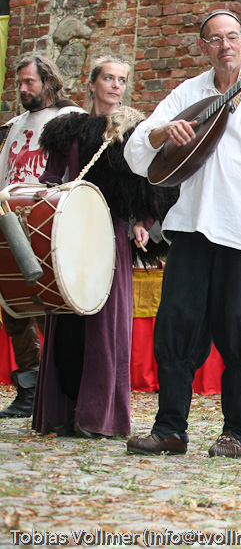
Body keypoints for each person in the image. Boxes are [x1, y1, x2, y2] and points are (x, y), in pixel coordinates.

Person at [123, 10, 241, 458]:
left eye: (232, 37)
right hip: (192, 228)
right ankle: (170, 430)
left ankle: (237, 434)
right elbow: (136, 153)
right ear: (203, 46)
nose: (225, 45)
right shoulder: (188, 92)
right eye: (215, 39)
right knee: (176, 328)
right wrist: (161, 133)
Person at [31, 56, 178, 438]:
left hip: (111, 235)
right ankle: (61, 413)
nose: (115, 85)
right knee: (67, 319)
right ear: (92, 83)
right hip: (70, 233)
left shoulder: (135, 132)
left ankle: (98, 417)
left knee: (103, 327)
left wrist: (143, 223)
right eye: (108, 78)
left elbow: (150, 184)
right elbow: (50, 179)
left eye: (121, 80)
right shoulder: (67, 130)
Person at [0, 55, 83, 419]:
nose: (22, 89)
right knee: (13, 308)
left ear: (48, 81)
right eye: (19, 83)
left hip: (50, 222)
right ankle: (29, 390)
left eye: (29, 82)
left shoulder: (70, 118)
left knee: (53, 307)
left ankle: (62, 391)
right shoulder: (13, 126)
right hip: (10, 219)